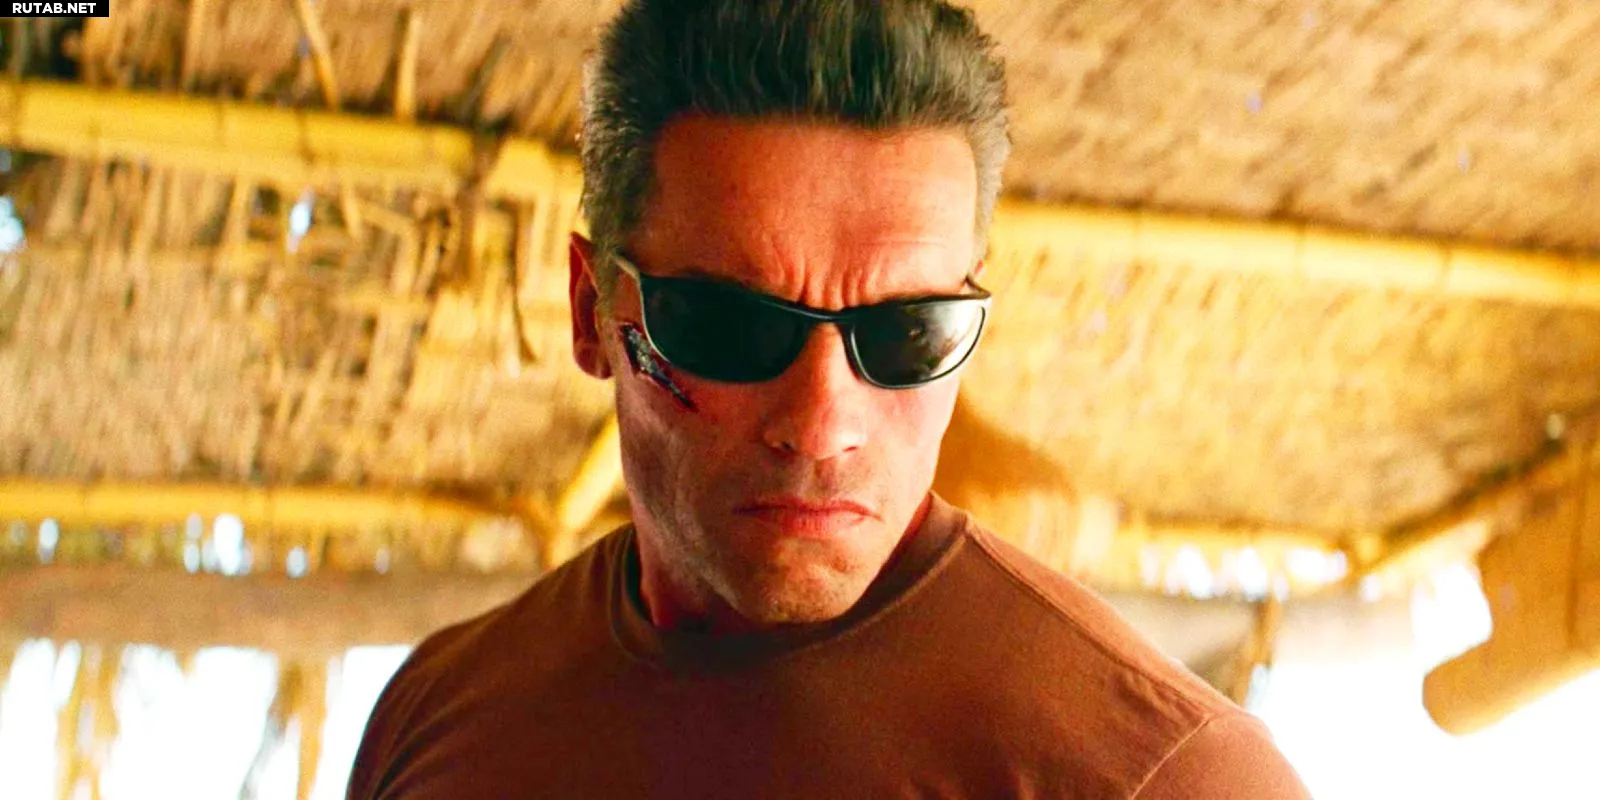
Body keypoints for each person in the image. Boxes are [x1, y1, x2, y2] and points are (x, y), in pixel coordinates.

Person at [347, 1, 1311, 797]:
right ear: (590, 313)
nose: (821, 425)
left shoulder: (1163, 776)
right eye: (731, 326)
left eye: (907, 332)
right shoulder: (438, 715)